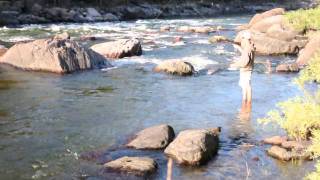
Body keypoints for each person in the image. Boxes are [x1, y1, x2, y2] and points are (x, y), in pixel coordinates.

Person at [230, 31, 255, 114]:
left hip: (246, 69)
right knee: (245, 86)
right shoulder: (250, 46)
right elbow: (246, 53)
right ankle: (245, 102)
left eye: (243, 38)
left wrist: (234, 65)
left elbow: (245, 61)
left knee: (247, 86)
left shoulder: (248, 47)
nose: (242, 40)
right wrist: (238, 48)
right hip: (248, 69)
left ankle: (248, 104)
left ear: (245, 39)